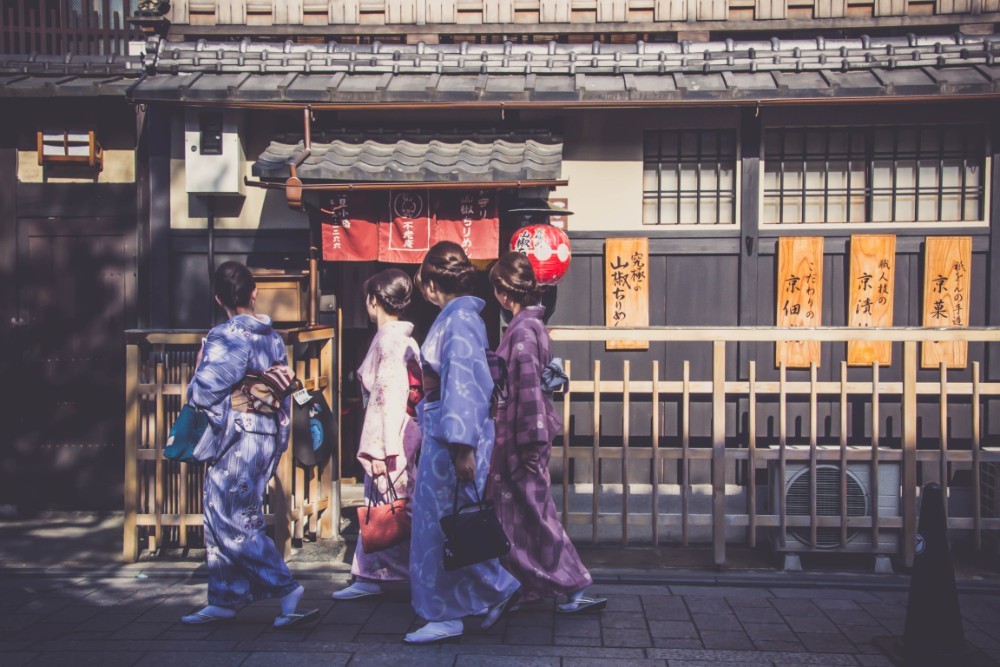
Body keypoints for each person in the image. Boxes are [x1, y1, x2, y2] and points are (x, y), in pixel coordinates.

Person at [181, 261, 317, 629]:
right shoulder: (272, 338)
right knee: (224, 510)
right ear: (254, 293)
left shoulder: (226, 335)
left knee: (232, 517)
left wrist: (196, 380)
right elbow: (283, 391)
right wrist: (281, 435)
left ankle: (285, 587)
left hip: (237, 433)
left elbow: (207, 389)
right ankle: (224, 596)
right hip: (264, 431)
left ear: (217, 298)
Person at [404, 241, 521, 645]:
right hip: (446, 430)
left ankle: (451, 610)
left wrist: (463, 446)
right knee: (449, 521)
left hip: (453, 435)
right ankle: (482, 594)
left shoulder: (458, 321)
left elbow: (464, 384)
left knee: (443, 525)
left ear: (432, 282)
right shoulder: (458, 319)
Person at [487, 252, 606, 614]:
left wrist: (530, 443)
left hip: (520, 436)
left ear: (504, 293)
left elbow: (528, 390)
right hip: (520, 432)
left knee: (534, 514)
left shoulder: (522, 331)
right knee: (523, 514)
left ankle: (572, 583)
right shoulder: (531, 327)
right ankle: (533, 584)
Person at [334, 269, 421, 600]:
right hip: (403, 430)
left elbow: (385, 398)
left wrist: (376, 449)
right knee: (387, 509)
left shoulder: (388, 341)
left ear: (373, 301)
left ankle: (396, 574)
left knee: (392, 508)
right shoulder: (405, 339)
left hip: (390, 434)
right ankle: (371, 574)